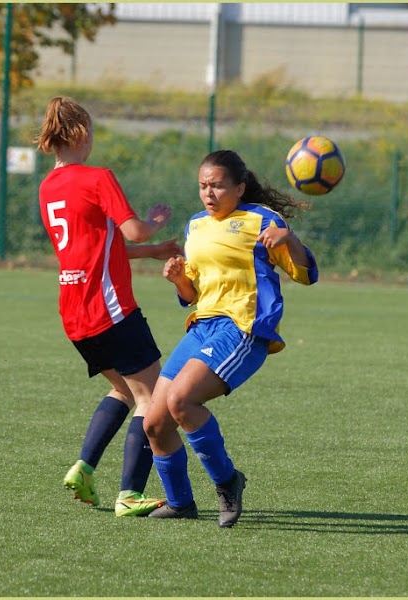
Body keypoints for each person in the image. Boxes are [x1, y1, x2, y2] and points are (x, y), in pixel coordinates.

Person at [142, 149, 318, 527]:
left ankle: (227, 482)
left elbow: (306, 275)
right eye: (203, 185)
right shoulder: (195, 225)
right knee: (154, 423)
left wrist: (289, 238)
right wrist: (179, 279)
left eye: (218, 185)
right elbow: (192, 295)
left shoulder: (263, 220)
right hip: (202, 325)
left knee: (181, 401)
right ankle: (180, 502)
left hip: (242, 327)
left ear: (239, 188)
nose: (209, 193)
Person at [35, 96, 181, 516]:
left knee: (123, 389)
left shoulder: (48, 187)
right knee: (153, 398)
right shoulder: (97, 178)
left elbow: (93, 248)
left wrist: (152, 251)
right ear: (81, 134)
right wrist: (153, 223)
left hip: (75, 314)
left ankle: (84, 467)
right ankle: (130, 495)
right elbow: (132, 231)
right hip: (110, 309)